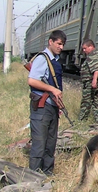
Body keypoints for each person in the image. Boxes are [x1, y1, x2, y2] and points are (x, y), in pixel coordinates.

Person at [27, 29, 66, 176]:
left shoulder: (54, 60)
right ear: (50, 42)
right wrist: (52, 89)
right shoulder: (42, 59)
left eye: (62, 45)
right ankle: (34, 176)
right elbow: (32, 80)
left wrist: (58, 104)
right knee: (39, 144)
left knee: (51, 143)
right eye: (58, 44)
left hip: (52, 107)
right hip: (41, 108)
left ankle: (47, 173)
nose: (61, 47)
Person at [77, 39, 98, 126]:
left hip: (91, 84)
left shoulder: (92, 55)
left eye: (85, 48)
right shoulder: (97, 54)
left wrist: (94, 81)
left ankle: (82, 120)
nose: (84, 50)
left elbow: (96, 69)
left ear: (91, 47)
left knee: (86, 102)